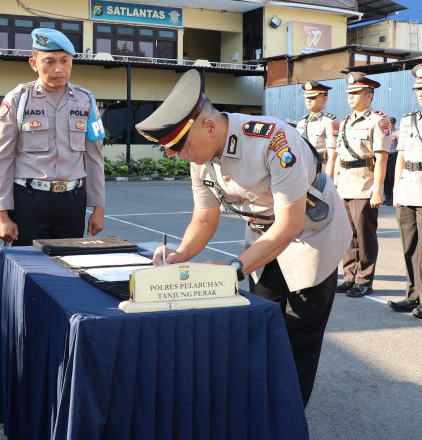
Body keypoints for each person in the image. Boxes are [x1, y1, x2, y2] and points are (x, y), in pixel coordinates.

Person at [136, 69, 351, 407]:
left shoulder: (273, 139)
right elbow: (205, 218)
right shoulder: (201, 155)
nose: (180, 156)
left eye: (182, 147)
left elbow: (290, 225)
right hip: (262, 238)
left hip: (311, 235)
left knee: (298, 335)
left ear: (208, 126)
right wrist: (179, 255)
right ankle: (261, 405)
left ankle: (288, 417)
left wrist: (231, 270)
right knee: (261, 324)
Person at [0, 28, 105, 245]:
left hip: (72, 202)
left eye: (65, 61)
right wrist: (1, 215)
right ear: (34, 64)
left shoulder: (86, 101)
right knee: (27, 268)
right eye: (49, 61)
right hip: (29, 200)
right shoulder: (18, 100)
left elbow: (94, 157)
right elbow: (1, 157)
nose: (58, 69)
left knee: (68, 269)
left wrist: (99, 208)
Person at [334, 72, 390, 297]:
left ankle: (364, 279)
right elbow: (339, 155)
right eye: (349, 93)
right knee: (347, 235)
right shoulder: (345, 121)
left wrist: (377, 189)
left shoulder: (378, 121)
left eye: (356, 93)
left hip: (364, 186)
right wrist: (335, 184)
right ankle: (349, 276)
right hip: (345, 184)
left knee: (364, 236)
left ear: (369, 96)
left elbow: (381, 158)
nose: (351, 96)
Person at [389, 63, 422, 320]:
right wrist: (396, 189)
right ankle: (412, 295)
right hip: (408, 187)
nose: (421, 93)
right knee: (409, 246)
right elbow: (401, 158)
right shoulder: (408, 119)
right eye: (418, 89)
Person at [295, 80, 338, 179]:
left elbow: (333, 155)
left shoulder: (330, 121)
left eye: (312, 97)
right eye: (307, 98)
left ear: (324, 99)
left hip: (321, 170)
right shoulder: (302, 122)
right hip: (304, 171)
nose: (308, 100)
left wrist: (329, 181)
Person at [383, 116, 399, 206]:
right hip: (385, 156)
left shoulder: (397, 133)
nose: (391, 125)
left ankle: (392, 198)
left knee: (392, 177)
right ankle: (387, 197)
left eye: (392, 123)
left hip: (394, 156)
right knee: (385, 178)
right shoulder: (385, 132)